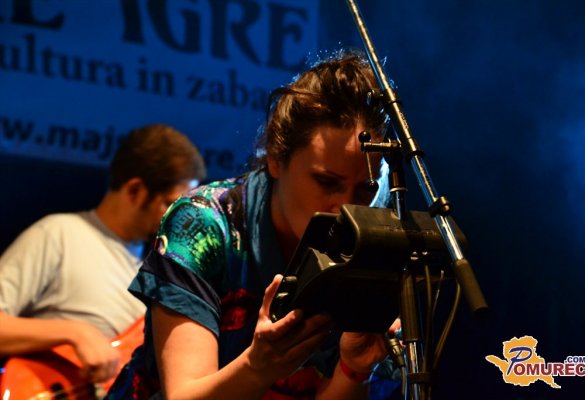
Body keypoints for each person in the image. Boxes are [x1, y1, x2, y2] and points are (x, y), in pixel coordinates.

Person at [107, 50, 399, 399]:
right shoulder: (202, 224)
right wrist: (257, 368)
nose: (347, 209)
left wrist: (354, 370)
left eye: (366, 189)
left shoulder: (374, 246)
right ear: (275, 159)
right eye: (326, 182)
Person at [0, 124, 206, 385]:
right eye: (169, 203)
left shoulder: (156, 270)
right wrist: (75, 332)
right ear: (135, 190)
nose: (177, 218)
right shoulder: (59, 234)